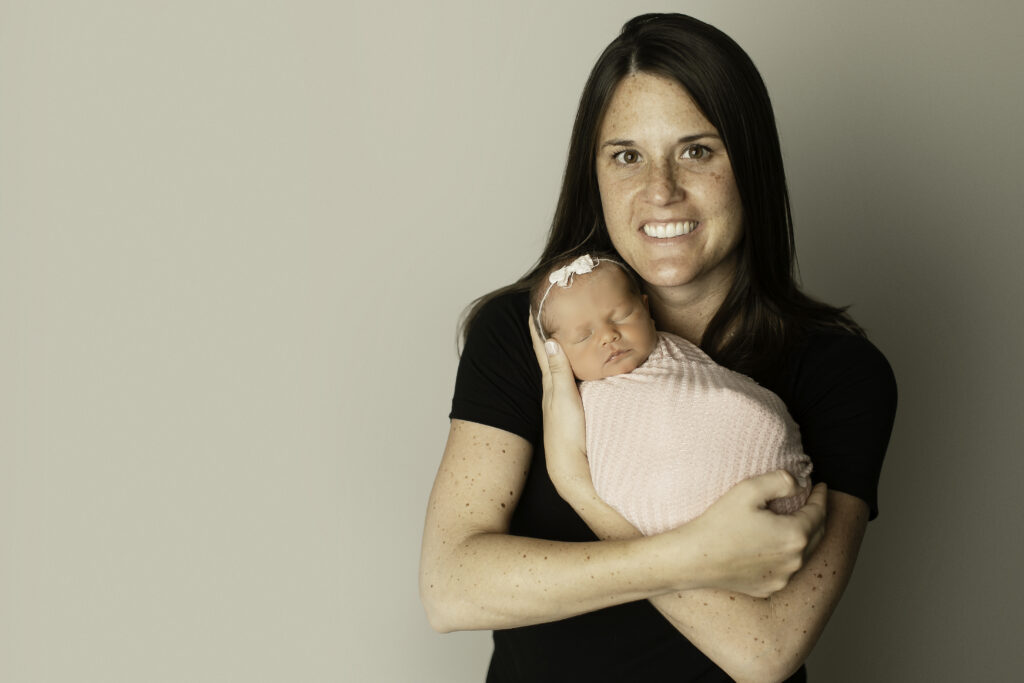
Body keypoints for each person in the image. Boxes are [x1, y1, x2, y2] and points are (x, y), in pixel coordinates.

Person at [420, 12, 897, 683]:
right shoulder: (525, 331)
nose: (660, 189)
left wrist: (585, 494)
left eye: (698, 150)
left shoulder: (842, 373)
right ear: (595, 174)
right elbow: (450, 586)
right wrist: (694, 553)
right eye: (627, 155)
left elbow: (765, 650)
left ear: (750, 164)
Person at [531, 251, 813, 535]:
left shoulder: (672, 353)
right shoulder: (575, 403)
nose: (608, 336)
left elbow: (719, 394)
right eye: (583, 336)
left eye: (622, 315)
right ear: (556, 350)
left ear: (646, 310)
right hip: (675, 523)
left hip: (770, 481)